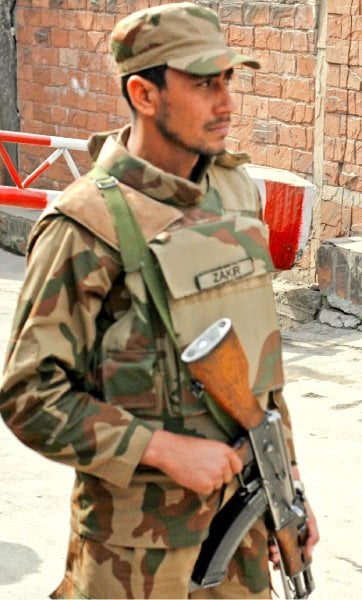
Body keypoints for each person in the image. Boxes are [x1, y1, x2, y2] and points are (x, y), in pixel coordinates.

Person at [0, 3, 318, 597]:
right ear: (145, 94)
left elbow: (257, 364)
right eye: (203, 84)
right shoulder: (88, 224)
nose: (226, 102)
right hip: (135, 555)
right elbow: (28, 395)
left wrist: (286, 487)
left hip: (243, 526)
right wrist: (163, 450)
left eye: (228, 79)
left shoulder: (233, 191)